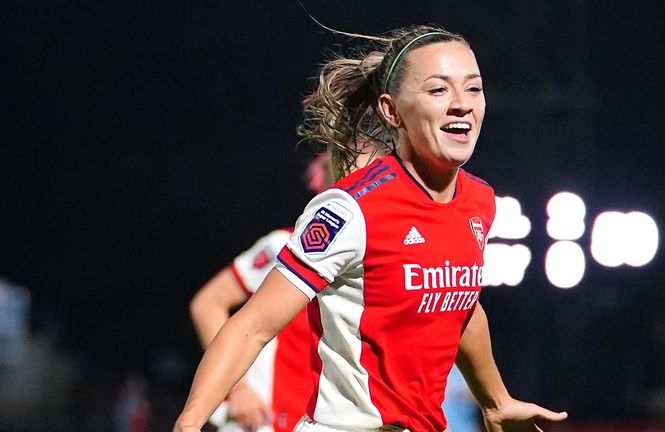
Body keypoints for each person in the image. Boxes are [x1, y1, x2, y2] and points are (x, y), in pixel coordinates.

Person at [174, 25, 567, 432]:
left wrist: (496, 401)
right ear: (391, 110)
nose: (461, 105)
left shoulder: (479, 201)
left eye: (473, 88)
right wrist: (190, 423)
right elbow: (251, 326)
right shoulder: (350, 209)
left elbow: (459, 303)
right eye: (438, 90)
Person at [188, 156, 330, 432]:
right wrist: (238, 389)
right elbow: (207, 303)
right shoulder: (284, 245)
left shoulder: (380, 259)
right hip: (265, 422)